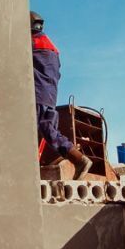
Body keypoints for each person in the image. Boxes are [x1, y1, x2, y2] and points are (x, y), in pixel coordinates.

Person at [31, 11, 93, 179]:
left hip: (38, 93)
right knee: (46, 128)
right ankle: (77, 159)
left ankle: (79, 159)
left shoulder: (32, 43)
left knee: (45, 129)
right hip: (50, 94)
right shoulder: (51, 46)